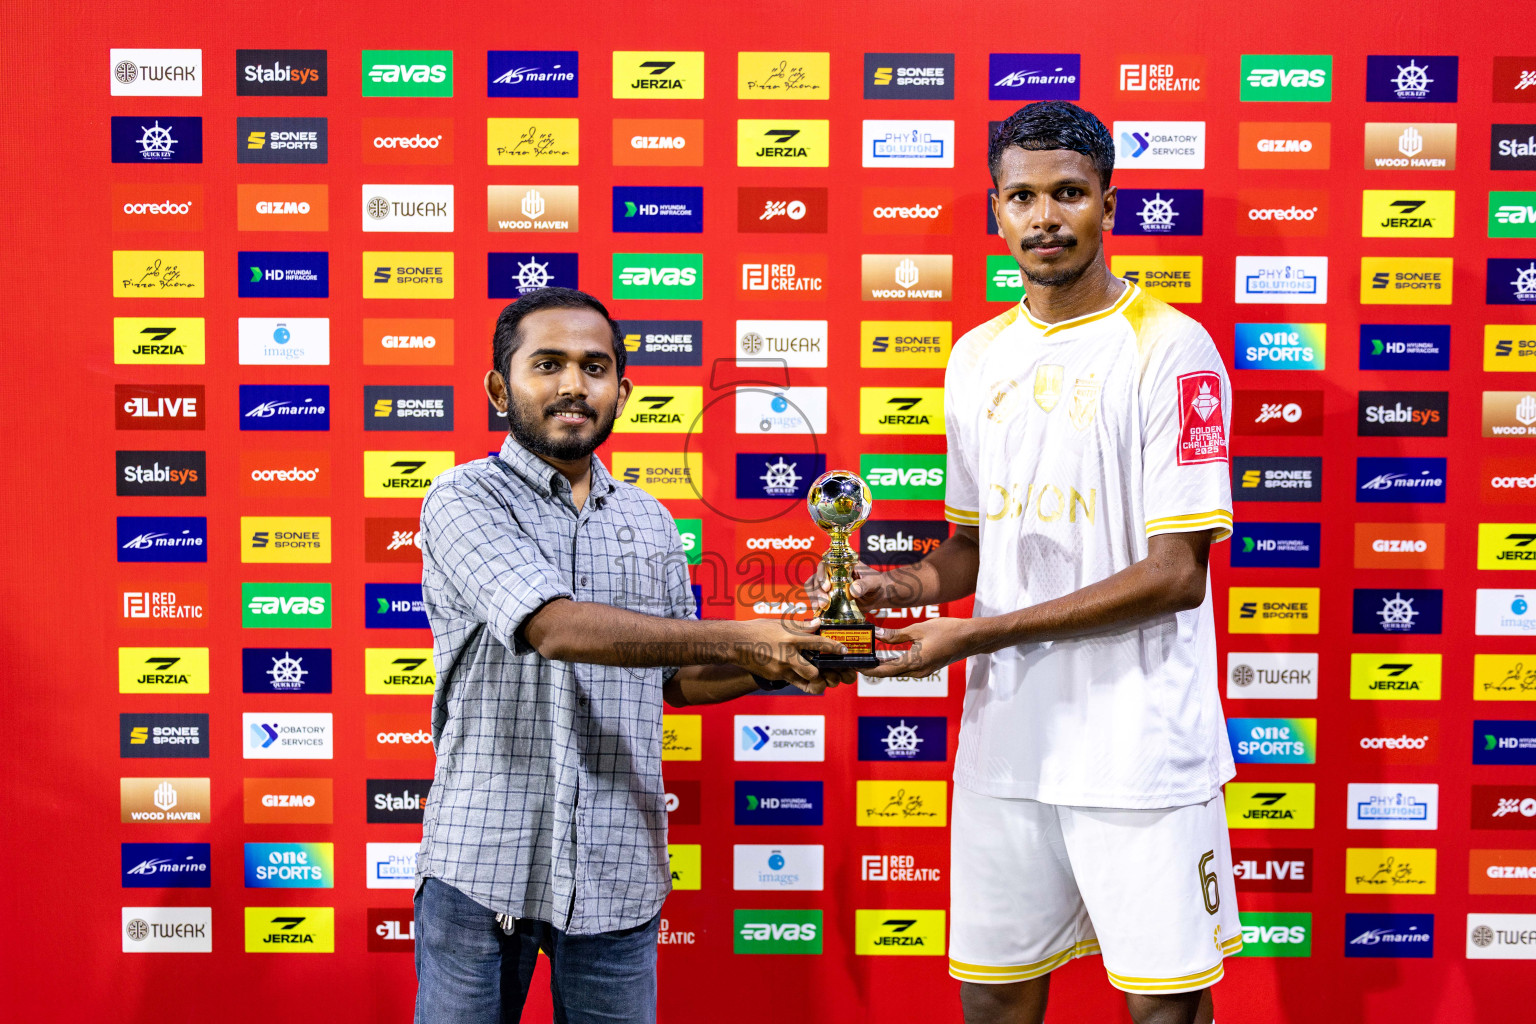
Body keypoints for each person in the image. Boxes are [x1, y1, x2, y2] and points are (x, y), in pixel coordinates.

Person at [828, 101, 1240, 1024]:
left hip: (1139, 749)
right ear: (996, 210)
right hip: (1008, 743)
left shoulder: (1173, 349)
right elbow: (975, 547)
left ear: (1108, 204)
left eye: (1068, 194)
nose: (1045, 217)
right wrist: (901, 586)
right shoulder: (976, 357)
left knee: (1164, 1009)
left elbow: (1176, 574)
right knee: (993, 998)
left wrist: (976, 635)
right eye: (1022, 197)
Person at [414, 287, 848, 1024]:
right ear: (499, 389)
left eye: (595, 367)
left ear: (622, 391)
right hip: (482, 868)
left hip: (618, 872)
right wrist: (745, 635)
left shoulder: (650, 520)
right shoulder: (464, 497)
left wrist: (786, 655)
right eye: (547, 364)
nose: (573, 385)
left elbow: (677, 678)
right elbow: (554, 628)